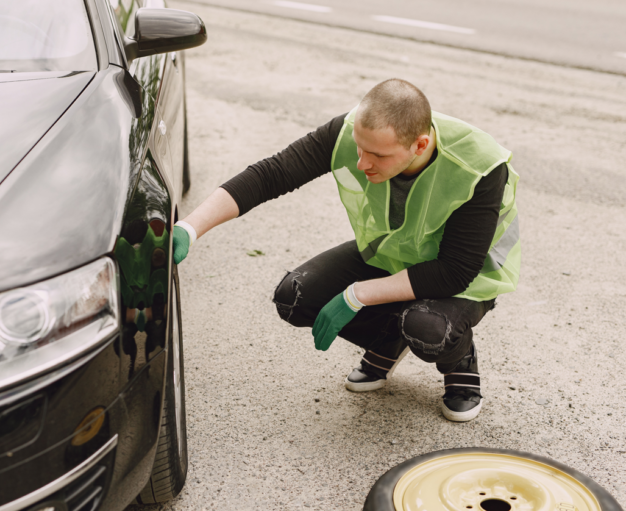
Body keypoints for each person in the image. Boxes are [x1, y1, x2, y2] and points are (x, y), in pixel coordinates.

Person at [172, 78, 520, 422]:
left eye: (378, 156)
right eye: (359, 148)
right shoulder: (354, 130)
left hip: (464, 280)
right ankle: (387, 343)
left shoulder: (479, 166)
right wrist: (190, 227)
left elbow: (453, 272)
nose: (362, 163)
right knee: (294, 298)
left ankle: (459, 362)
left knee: (428, 329)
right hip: (392, 255)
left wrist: (357, 294)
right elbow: (271, 175)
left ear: (420, 144)